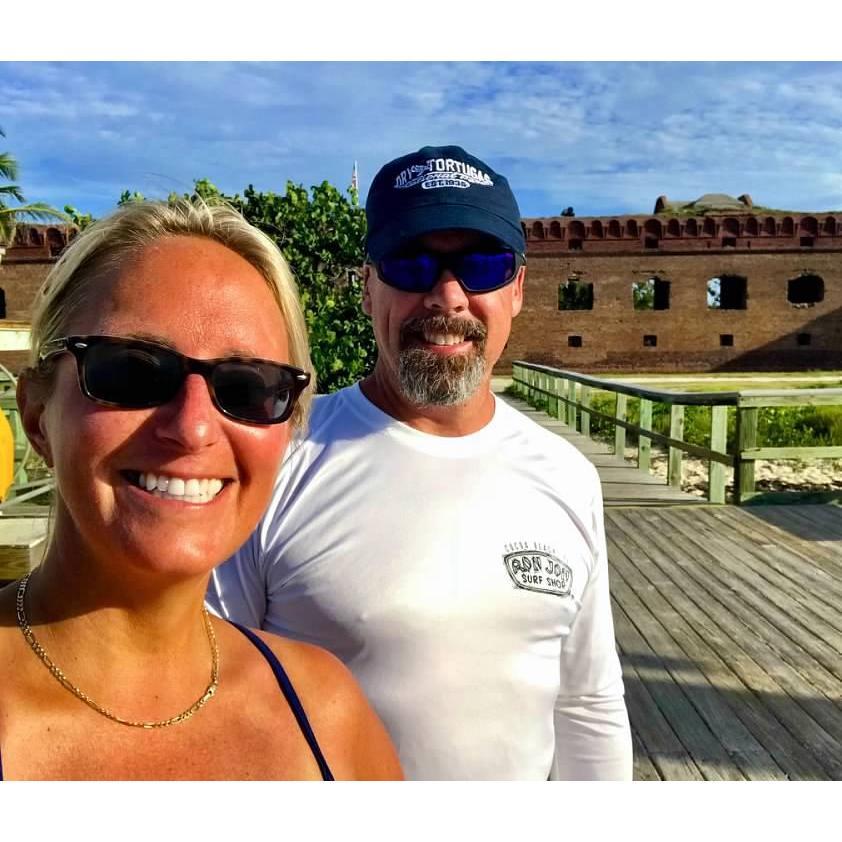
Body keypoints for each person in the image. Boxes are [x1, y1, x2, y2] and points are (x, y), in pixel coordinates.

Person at [208, 145, 633, 780]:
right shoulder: (279, 454)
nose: (448, 296)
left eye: (482, 265)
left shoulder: (567, 474)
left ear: (516, 289)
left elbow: (587, 703)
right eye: (412, 264)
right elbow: (207, 699)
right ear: (368, 284)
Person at [0, 199, 402, 780]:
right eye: (131, 371)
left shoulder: (325, 712)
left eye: (249, 387)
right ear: (38, 414)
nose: (191, 428)